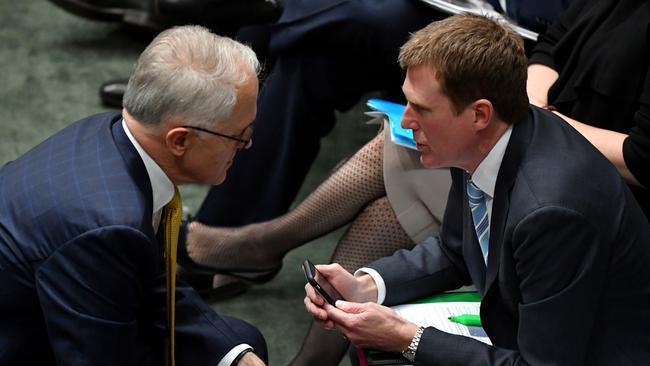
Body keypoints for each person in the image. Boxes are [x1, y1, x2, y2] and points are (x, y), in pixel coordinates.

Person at [304, 13, 650, 365]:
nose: (406, 121)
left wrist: (408, 338)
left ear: (479, 115)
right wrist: (368, 286)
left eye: (421, 109)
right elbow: (456, 250)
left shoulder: (551, 211)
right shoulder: (484, 142)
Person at [0, 26, 267, 365]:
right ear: (180, 140)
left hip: (64, 314)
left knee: (241, 344)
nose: (248, 145)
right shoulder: (107, 227)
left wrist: (234, 355)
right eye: (239, 135)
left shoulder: (111, 134)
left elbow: (149, 273)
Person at [526, 0, 650, 219]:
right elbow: (550, 45)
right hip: (546, 177)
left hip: (610, 216)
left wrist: (544, 122)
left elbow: (641, 157)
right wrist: (532, 104)